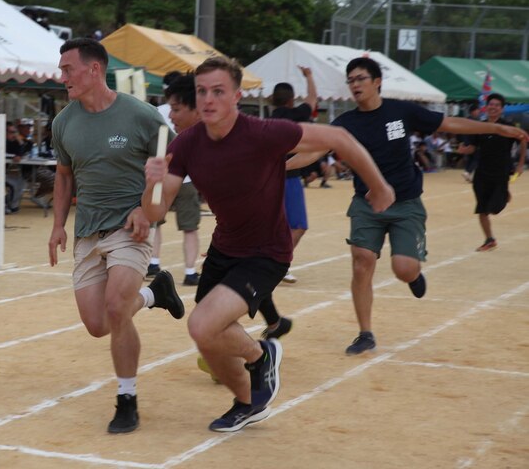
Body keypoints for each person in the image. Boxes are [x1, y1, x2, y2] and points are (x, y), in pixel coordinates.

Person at [143, 56, 395, 432]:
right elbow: (154, 212)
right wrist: (152, 181)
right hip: (225, 248)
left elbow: (340, 138)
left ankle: (261, 357)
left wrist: (378, 186)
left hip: (266, 251)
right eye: (201, 92)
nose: (208, 100)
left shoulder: (262, 132)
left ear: (236, 97)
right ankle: (248, 399)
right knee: (208, 341)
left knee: (201, 324)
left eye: (218, 91)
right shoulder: (188, 143)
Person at [289, 57, 528, 356]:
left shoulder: (402, 111)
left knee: (403, 268)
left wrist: (495, 128)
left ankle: (413, 276)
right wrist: (278, 166)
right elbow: (314, 151)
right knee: (362, 261)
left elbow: (450, 122)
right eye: (351, 80)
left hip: (405, 203)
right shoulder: (345, 124)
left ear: (377, 81)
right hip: (367, 203)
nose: (355, 85)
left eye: (360, 78)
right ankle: (365, 333)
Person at [48, 38, 185, 434]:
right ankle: (155, 294)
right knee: (97, 324)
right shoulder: (63, 122)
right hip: (88, 231)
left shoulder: (143, 116)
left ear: (94, 70)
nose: (63, 77)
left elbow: (172, 166)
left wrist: (148, 209)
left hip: (130, 228)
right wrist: (58, 225)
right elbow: (63, 175)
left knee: (115, 307)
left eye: (67, 69)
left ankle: (127, 399)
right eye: (61, 70)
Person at [147, 73, 202, 286]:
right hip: (181, 177)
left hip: (166, 173)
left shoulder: (155, 112)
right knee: (189, 226)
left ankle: (153, 262)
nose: (171, 115)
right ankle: (190, 271)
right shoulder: (170, 117)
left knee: (155, 223)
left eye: (176, 109)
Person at [457, 93, 526, 252]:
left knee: (496, 207)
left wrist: (520, 164)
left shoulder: (507, 127)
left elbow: (523, 139)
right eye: (491, 104)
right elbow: (473, 148)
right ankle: (489, 239)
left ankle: (503, 194)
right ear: (486, 107)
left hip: (501, 171)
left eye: (496, 105)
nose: (493, 107)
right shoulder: (480, 127)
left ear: (501, 109)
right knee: (482, 209)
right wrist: (464, 150)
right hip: (482, 172)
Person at [271, 66, 318, 284]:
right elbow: (312, 99)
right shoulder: (296, 115)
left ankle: (271, 262)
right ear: (291, 100)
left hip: (267, 178)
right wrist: (308, 76)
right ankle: (280, 264)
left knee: (273, 225)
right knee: (298, 225)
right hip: (289, 178)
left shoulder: (268, 120)